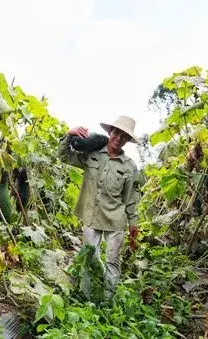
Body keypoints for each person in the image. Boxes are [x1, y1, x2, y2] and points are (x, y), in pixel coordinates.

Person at [58, 115, 142, 299]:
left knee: (113, 262)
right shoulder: (92, 154)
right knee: (89, 256)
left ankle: (107, 301)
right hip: (91, 215)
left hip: (115, 220)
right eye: (116, 133)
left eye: (124, 137)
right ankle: (87, 296)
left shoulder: (129, 167)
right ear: (110, 132)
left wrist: (133, 224)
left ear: (127, 141)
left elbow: (131, 199)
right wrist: (69, 134)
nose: (118, 138)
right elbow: (64, 155)